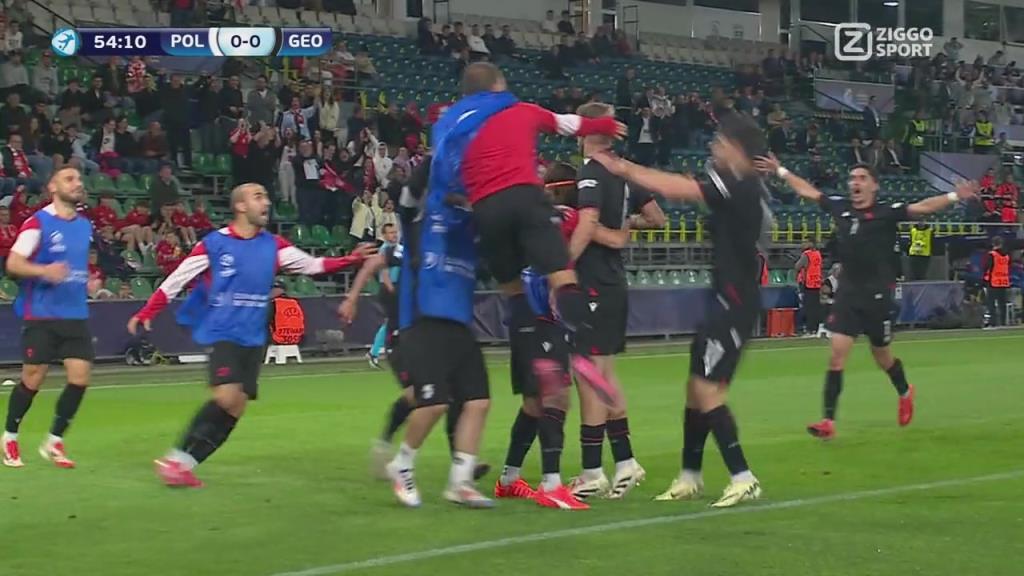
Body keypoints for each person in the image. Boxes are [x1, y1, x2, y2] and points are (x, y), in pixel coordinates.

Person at [127, 183, 375, 487]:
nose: (266, 202)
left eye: (266, 197)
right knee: (225, 396)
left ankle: (186, 466)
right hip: (224, 331)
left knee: (237, 406)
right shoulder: (215, 244)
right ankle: (175, 459)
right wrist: (146, 312)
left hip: (254, 337)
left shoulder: (274, 245)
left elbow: (312, 265)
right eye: (258, 197)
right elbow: (176, 280)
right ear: (240, 206)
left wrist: (350, 259)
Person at [589, 112, 773, 508]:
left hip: (735, 302)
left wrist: (625, 168)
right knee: (695, 389)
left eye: (721, 141)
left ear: (737, 149)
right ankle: (690, 476)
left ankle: (743, 476)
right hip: (723, 298)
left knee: (707, 390)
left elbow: (681, 189)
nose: (714, 146)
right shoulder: (740, 183)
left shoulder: (739, 183)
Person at [755, 155, 978, 440]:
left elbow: (922, 207)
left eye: (862, 178)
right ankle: (828, 420)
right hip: (848, 293)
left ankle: (905, 391)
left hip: (877, 295)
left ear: (874, 185)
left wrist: (954, 196)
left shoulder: (887, 213)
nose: (855, 183)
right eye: (852, 178)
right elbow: (809, 192)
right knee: (837, 355)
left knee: (882, 356)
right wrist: (780, 170)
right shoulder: (841, 208)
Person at [454, 62, 626, 400]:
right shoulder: (520, 110)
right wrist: (604, 125)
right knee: (564, 277)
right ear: (498, 86)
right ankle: (581, 352)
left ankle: (538, 360)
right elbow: (569, 124)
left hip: (485, 209)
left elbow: (445, 174)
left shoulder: (456, 126)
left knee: (513, 293)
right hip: (525, 197)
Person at [380, 113, 495, 508]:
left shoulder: (471, 226)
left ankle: (460, 482)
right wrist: (444, 150)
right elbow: (410, 191)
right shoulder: (418, 219)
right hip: (422, 321)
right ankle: (402, 464)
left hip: (459, 323)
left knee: (477, 401)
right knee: (434, 403)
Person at [561, 102, 665, 501]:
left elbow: (587, 223)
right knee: (603, 375)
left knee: (588, 376)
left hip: (592, 283)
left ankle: (592, 471)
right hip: (614, 283)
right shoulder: (623, 171)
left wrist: (562, 267)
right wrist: (624, 225)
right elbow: (657, 218)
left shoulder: (591, 171)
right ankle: (625, 461)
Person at [493, 164, 588, 510]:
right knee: (556, 397)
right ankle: (551, 484)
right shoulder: (561, 217)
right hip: (541, 318)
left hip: (524, 317)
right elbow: (586, 224)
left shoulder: (522, 218)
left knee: (534, 404)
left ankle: (508, 479)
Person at [3, 167, 92, 469]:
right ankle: (10, 436)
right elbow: (13, 263)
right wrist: (44, 271)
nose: (77, 183)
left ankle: (54, 440)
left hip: (75, 313)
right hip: (42, 313)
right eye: (69, 179)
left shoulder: (85, 225)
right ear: (53, 187)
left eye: (79, 179)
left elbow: (77, 264)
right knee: (33, 378)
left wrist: (90, 280)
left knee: (80, 378)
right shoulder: (38, 222)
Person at [366, 222, 400, 368]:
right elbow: (384, 273)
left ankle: (384, 350)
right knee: (391, 322)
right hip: (389, 288)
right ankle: (375, 352)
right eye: (391, 233)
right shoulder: (385, 250)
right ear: (384, 235)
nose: (394, 235)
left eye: (395, 232)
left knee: (396, 322)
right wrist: (392, 290)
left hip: (398, 287)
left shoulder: (398, 249)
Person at [794, 240, 823, 336]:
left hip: (808, 283)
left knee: (807, 307)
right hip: (816, 283)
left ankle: (808, 329)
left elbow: (797, 266)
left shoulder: (807, 254)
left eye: (805, 242)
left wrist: (797, 276)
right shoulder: (818, 254)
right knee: (815, 307)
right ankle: (815, 328)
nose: (803, 244)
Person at [983, 235, 1011, 328]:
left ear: (993, 244)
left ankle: (993, 323)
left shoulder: (992, 255)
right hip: (1004, 281)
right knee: (1002, 303)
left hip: (993, 281)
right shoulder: (1006, 256)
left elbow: (987, 267)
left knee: (991, 303)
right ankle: (1003, 322)